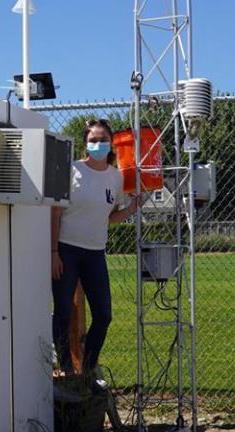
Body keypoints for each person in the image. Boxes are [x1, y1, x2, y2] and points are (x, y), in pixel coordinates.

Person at [51, 119, 140, 375]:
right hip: (67, 250)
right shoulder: (72, 171)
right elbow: (55, 214)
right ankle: (67, 368)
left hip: (95, 253)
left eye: (102, 140)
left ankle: (88, 367)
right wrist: (53, 253)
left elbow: (110, 217)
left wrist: (131, 210)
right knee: (64, 311)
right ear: (85, 144)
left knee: (103, 314)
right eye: (93, 140)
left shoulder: (116, 177)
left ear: (111, 144)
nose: (98, 144)